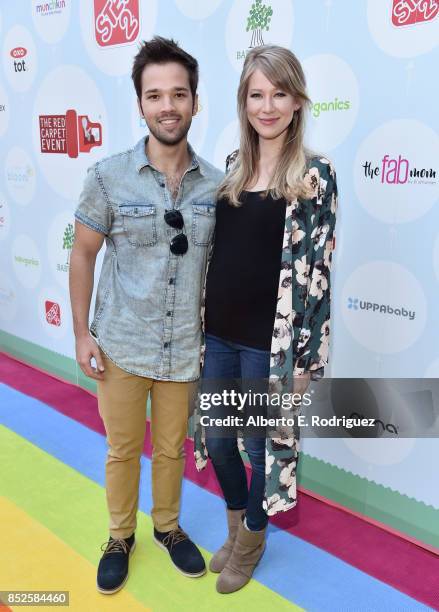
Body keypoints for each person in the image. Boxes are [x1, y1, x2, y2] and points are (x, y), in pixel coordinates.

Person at [69, 36, 223, 594]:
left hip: (184, 344)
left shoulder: (218, 184)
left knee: (170, 449)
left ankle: (168, 527)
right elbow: (83, 252)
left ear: (195, 102)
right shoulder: (109, 175)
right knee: (123, 448)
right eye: (154, 95)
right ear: (140, 104)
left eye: (178, 94)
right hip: (122, 341)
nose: (167, 106)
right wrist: (83, 332)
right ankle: (119, 536)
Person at [194, 45, 338, 594]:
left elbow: (320, 271)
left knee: (260, 448)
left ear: (297, 101)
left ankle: (251, 539)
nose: (268, 105)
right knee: (220, 439)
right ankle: (235, 526)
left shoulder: (316, 175)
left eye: (279, 93)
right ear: (244, 101)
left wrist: (307, 361)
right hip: (219, 334)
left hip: (269, 345)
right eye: (257, 94)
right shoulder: (234, 167)